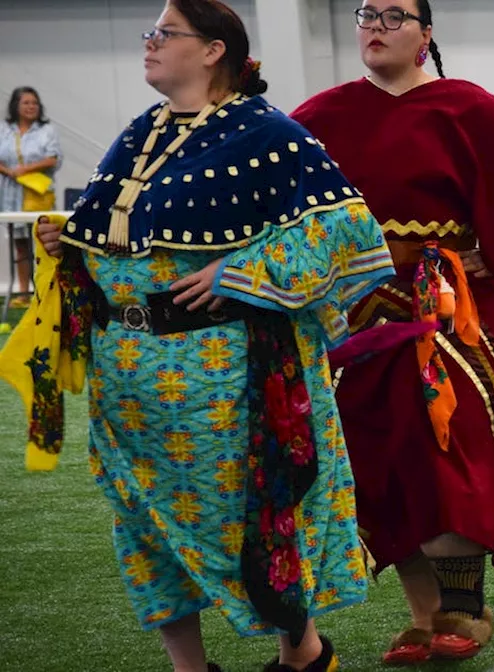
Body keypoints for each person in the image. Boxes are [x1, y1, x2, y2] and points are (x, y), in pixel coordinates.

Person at [6, 2, 396, 670]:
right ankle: (189, 667)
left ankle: (300, 654)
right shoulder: (141, 134)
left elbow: (345, 230)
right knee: (142, 524)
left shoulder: (269, 135)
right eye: (150, 32)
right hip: (126, 380)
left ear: (213, 50)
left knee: (253, 511)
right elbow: (120, 236)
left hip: (222, 378)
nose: (150, 44)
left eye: (165, 33)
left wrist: (243, 270)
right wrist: (69, 242)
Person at [291, 0, 494, 663]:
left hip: (454, 310)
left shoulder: (467, 107)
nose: (373, 24)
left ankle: (463, 604)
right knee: (379, 457)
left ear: (426, 34)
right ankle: (425, 614)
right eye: (366, 12)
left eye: (393, 15)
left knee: (450, 450)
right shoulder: (317, 118)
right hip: (359, 316)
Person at [0, 86, 62, 306]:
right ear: (16, 105)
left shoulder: (46, 130)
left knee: (44, 243)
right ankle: (24, 293)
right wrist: (10, 172)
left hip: (38, 194)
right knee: (20, 244)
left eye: (34, 103)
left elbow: (53, 158)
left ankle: (46, 290)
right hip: (12, 194)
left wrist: (25, 170)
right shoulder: (5, 129)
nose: (31, 107)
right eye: (26, 103)